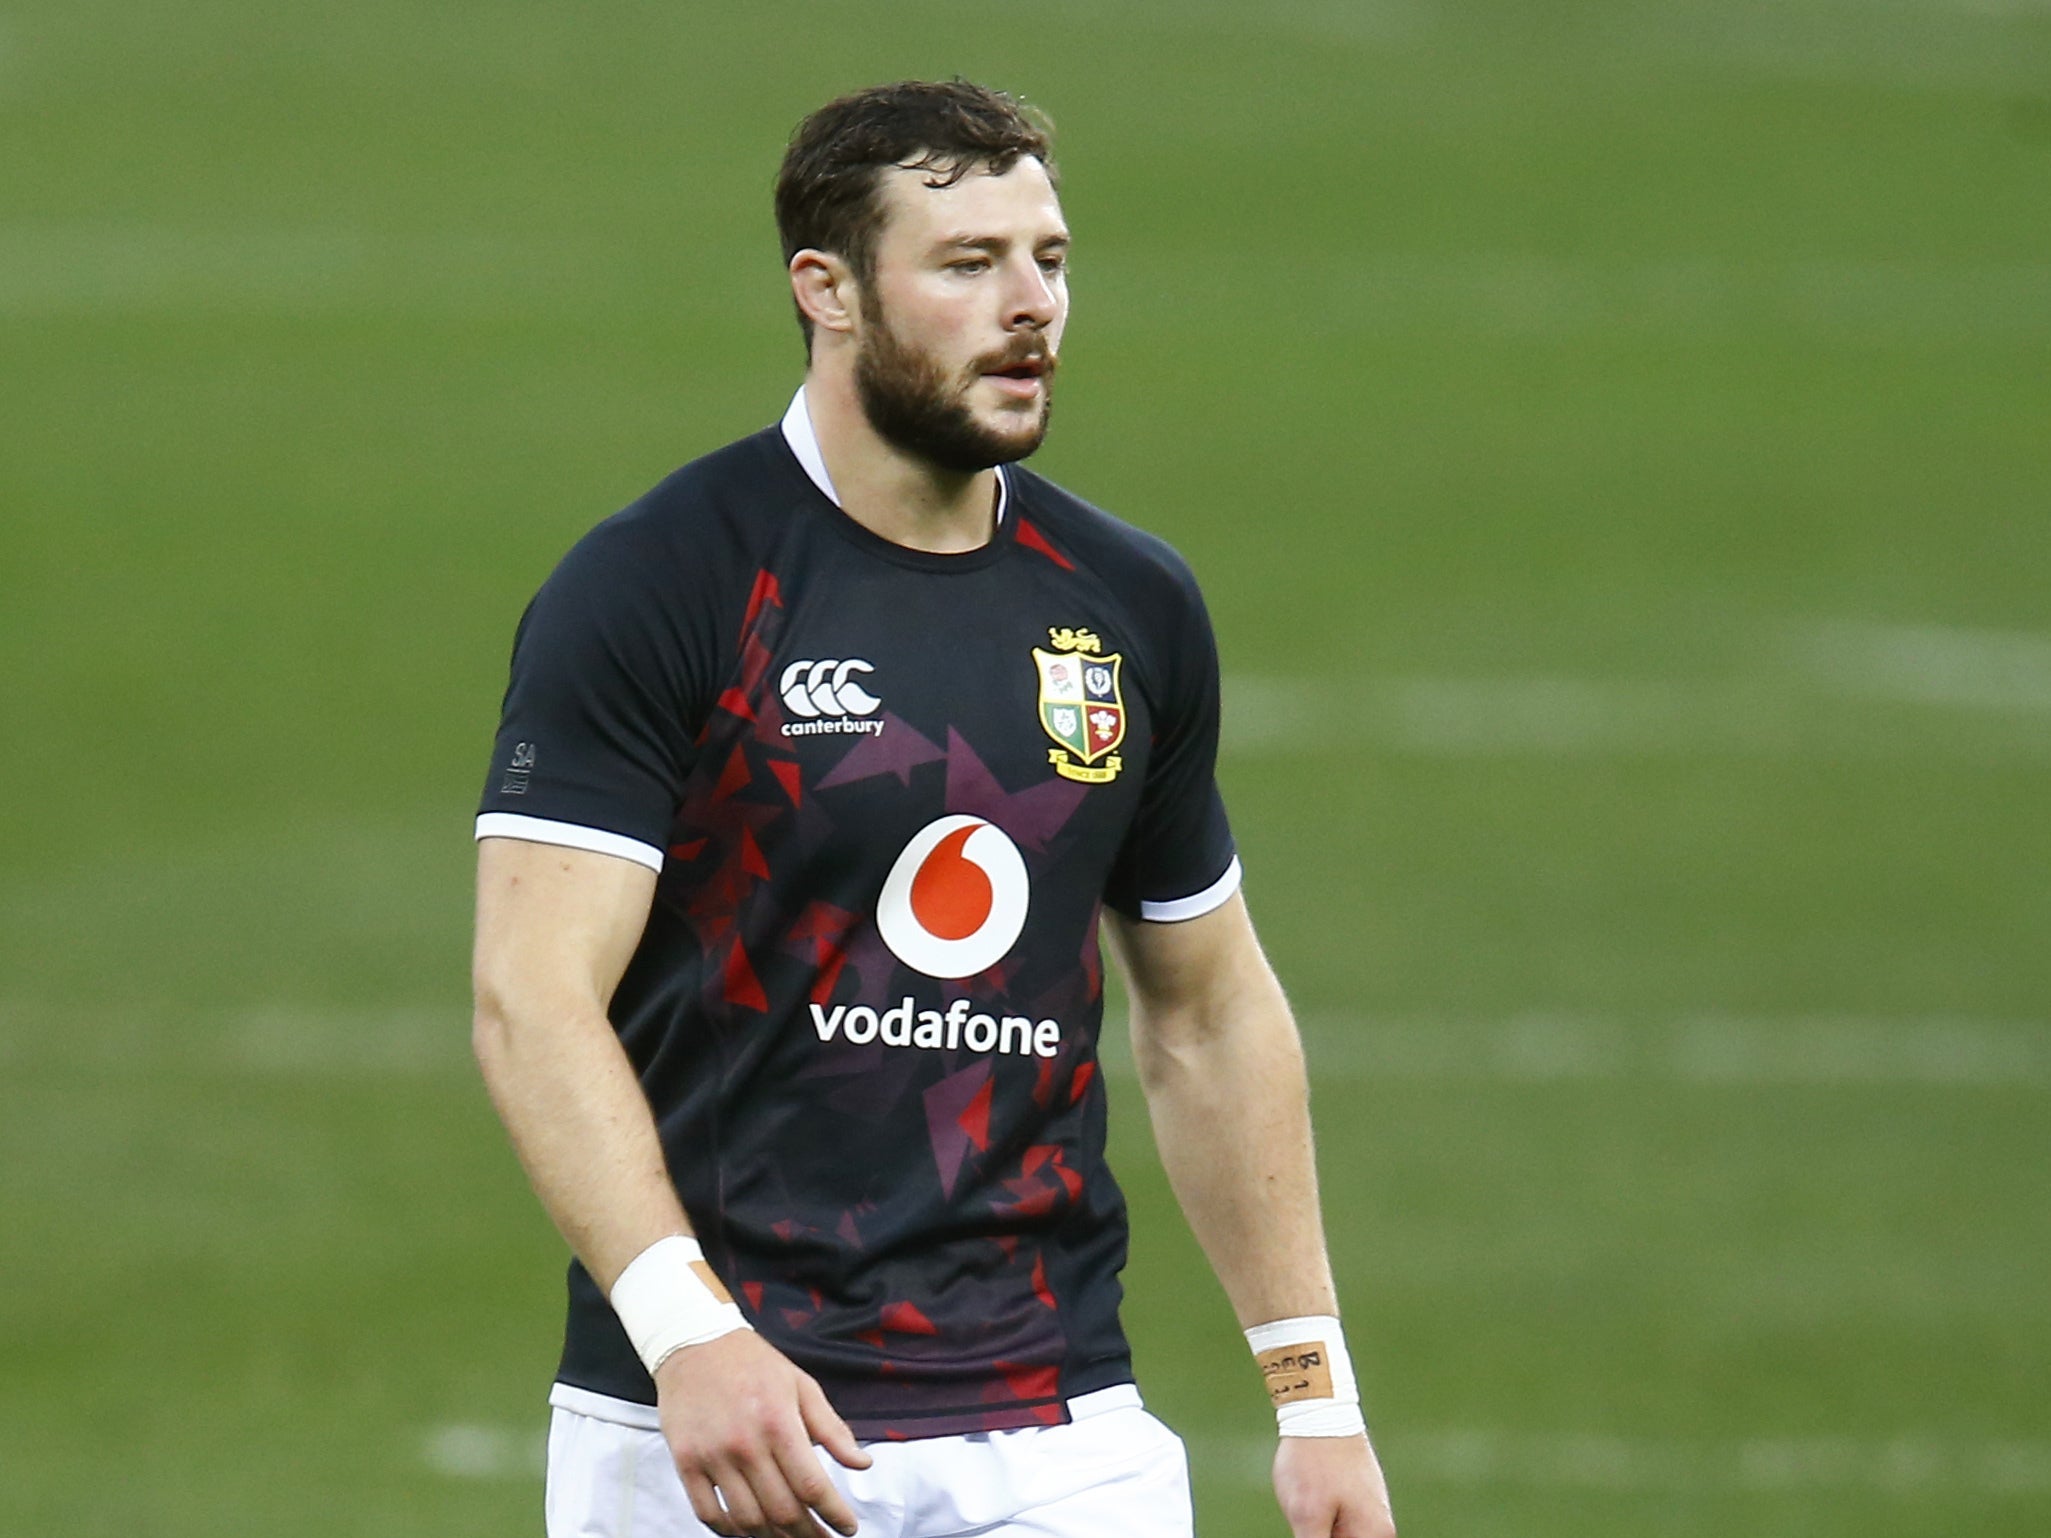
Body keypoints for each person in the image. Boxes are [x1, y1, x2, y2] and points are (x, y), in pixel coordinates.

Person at [471, 78, 1396, 1538]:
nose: (1030, 305)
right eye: (969, 265)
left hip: (1058, 1431)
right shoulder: (667, 583)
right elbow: (531, 993)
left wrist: (1314, 1396)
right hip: (720, 1428)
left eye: (1051, 259)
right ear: (826, 291)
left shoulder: (1126, 605)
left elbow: (1209, 1010)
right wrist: (684, 1331)